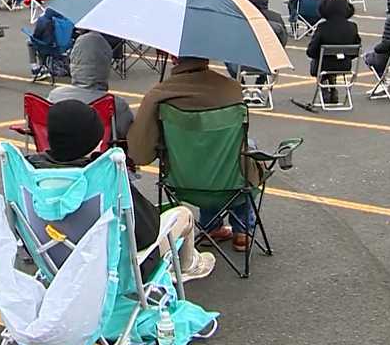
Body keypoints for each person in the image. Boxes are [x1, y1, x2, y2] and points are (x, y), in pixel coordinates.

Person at [27, 99, 215, 282]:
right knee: (183, 214)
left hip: (55, 260)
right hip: (114, 271)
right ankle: (188, 266)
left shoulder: (31, 172)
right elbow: (148, 231)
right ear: (92, 140)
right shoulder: (104, 177)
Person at [126, 56, 263, 252]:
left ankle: (210, 226)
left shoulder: (158, 94)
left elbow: (139, 152)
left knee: (201, 155)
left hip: (182, 182)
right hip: (230, 183)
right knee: (244, 149)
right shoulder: (232, 89)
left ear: (174, 59)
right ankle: (242, 230)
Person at [48, 32, 134, 140]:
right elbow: (129, 137)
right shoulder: (116, 104)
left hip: (58, 153)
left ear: (74, 60)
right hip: (100, 155)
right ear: (105, 64)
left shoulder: (55, 96)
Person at [306, 0, 361, 103]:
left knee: (319, 62)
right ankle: (332, 84)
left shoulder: (323, 27)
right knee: (334, 60)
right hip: (345, 65)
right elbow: (356, 50)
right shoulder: (352, 27)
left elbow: (311, 52)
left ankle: (326, 85)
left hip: (323, 65)